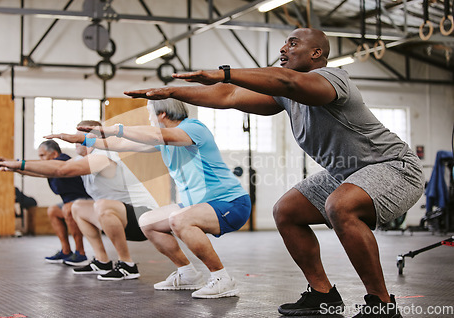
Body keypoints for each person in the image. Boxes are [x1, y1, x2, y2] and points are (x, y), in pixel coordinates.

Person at [123, 28, 424, 317]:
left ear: (317, 52)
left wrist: (225, 72)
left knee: (340, 205)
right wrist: (171, 92)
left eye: (293, 44)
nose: (283, 48)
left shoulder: (332, 79)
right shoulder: (286, 95)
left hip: (393, 166)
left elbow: (286, 81)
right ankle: (322, 294)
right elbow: (228, 97)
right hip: (344, 172)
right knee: (286, 211)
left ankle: (381, 304)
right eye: (284, 44)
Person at [49, 100, 251, 299]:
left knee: (179, 219)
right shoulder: (163, 141)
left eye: (150, 112)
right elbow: (120, 143)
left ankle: (222, 279)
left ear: (162, 113)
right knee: (148, 221)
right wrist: (83, 140)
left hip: (231, 202)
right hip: (198, 205)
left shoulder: (193, 128)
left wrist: (115, 128)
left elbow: (153, 134)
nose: (149, 117)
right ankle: (188, 274)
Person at [0, 121, 158, 281]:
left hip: (144, 218)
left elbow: (61, 169)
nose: (75, 140)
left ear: (93, 138)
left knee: (99, 205)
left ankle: (127, 265)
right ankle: (102, 261)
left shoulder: (103, 156)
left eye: (80, 136)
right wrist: (15, 167)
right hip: (120, 217)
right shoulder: (84, 159)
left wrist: (19, 164)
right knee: (79, 207)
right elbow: (50, 169)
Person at [0, 140, 91, 265]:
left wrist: (16, 163)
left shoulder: (64, 161)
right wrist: (13, 166)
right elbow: (34, 171)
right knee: (53, 210)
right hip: (71, 202)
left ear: (53, 154)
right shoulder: (50, 167)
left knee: (67, 209)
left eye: (43, 156)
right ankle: (66, 251)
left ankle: (80, 253)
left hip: (86, 200)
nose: (41, 160)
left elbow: (37, 166)